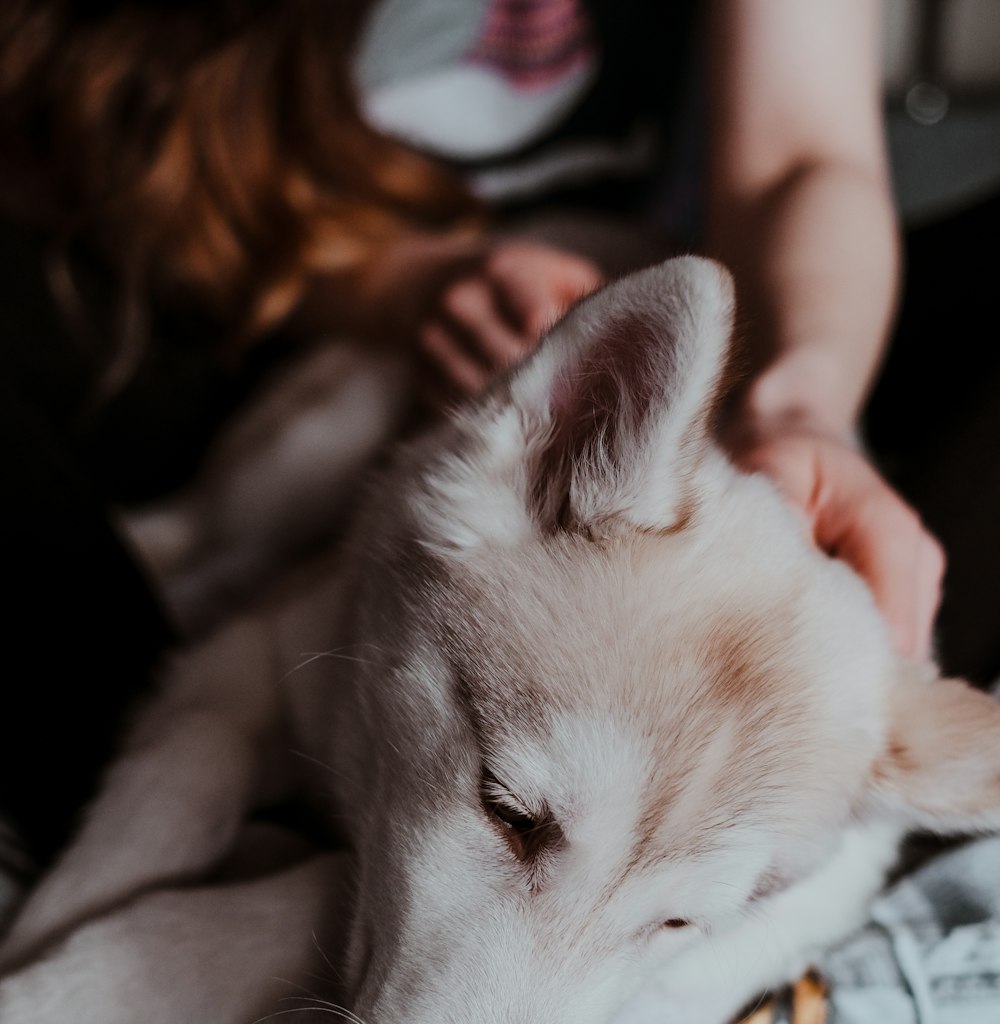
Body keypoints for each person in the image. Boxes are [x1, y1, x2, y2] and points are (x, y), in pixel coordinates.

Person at [0, 0, 947, 868]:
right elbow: (93, 153)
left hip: (581, 345)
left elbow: (802, 157)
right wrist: (408, 288)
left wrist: (801, 407)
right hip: (218, 310)